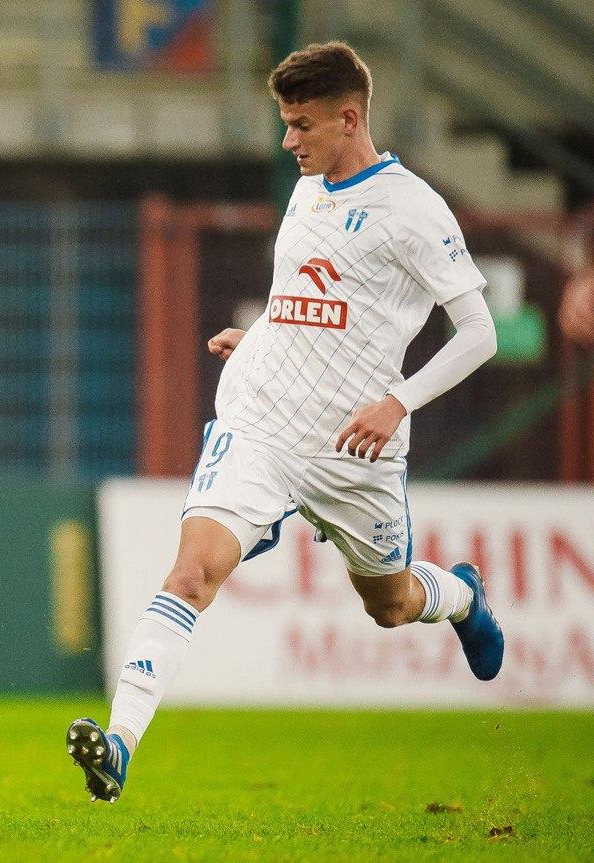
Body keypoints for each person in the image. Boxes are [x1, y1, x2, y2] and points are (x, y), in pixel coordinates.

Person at [67, 42, 504, 803]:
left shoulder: (412, 210)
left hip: (355, 448)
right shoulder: (306, 191)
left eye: (301, 125)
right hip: (262, 423)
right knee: (192, 572)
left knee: (390, 604)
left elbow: (480, 334)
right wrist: (266, 336)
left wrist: (397, 402)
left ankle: (461, 595)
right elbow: (306, 298)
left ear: (350, 119)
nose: (287, 140)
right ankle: (120, 744)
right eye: (285, 122)